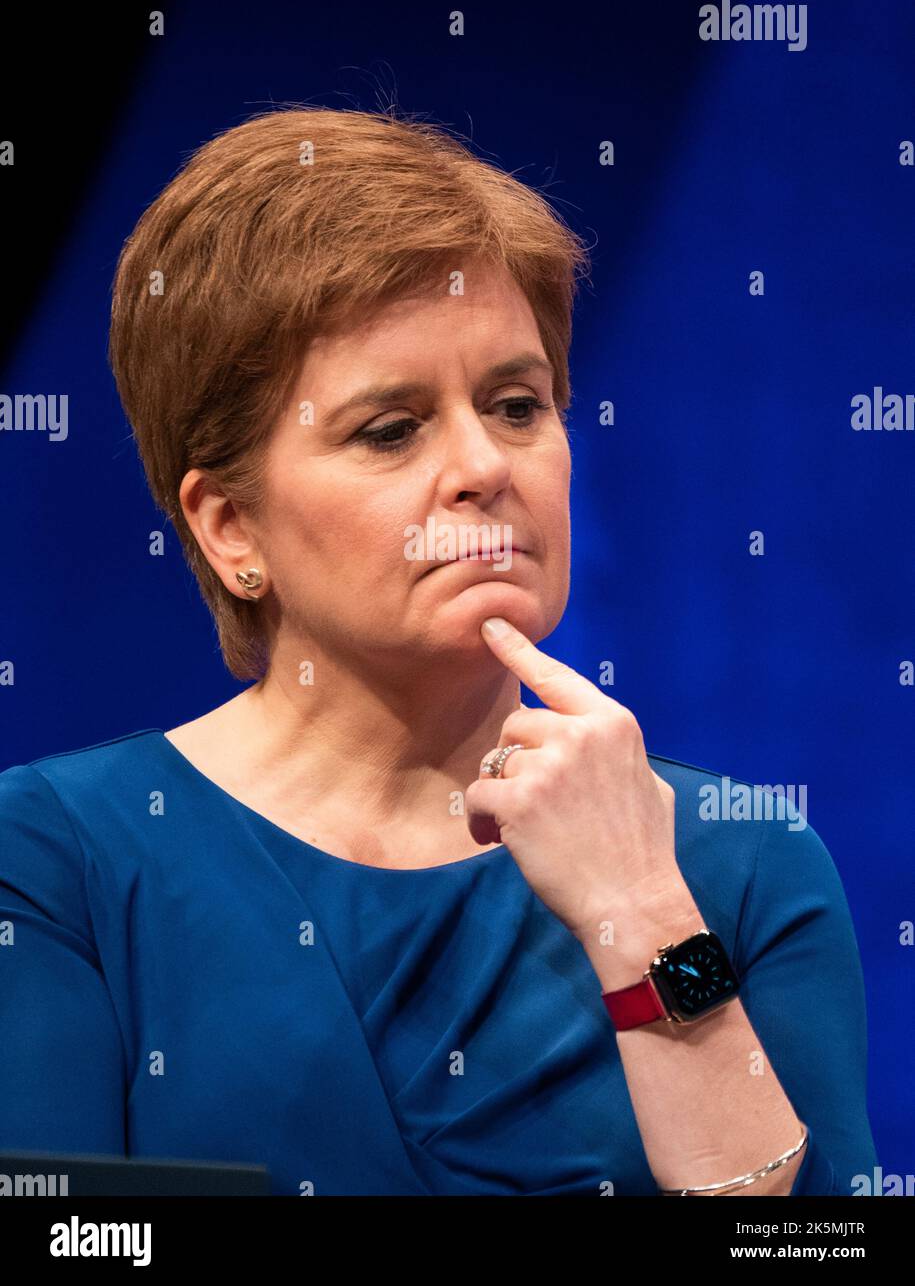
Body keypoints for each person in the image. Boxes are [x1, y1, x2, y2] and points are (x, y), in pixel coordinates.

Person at [0, 107, 876, 1195]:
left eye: (518, 404)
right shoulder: (56, 860)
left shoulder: (739, 865)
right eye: (391, 429)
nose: (483, 465)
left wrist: (644, 910)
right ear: (231, 527)